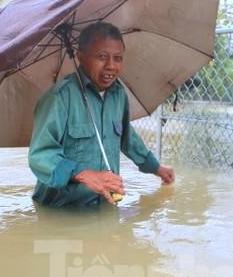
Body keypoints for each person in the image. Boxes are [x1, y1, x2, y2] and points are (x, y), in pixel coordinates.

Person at [28, 22, 175, 208]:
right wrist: (84, 175)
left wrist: (156, 168)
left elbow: (126, 137)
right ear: (80, 56)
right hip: (60, 210)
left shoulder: (118, 94)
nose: (111, 66)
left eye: (118, 58)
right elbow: (40, 155)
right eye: (102, 57)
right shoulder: (59, 98)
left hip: (104, 206)